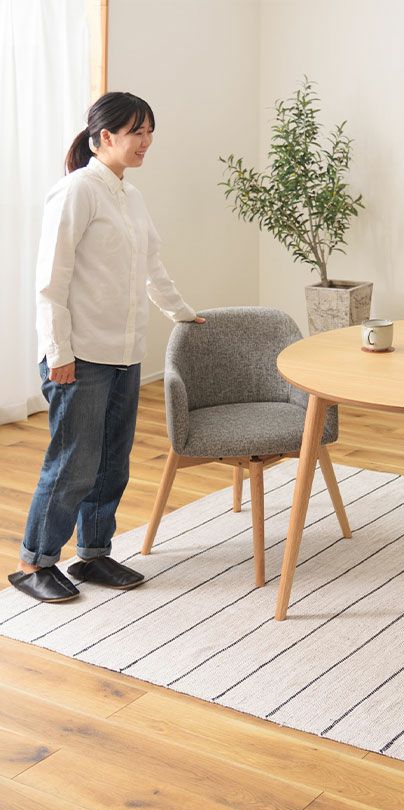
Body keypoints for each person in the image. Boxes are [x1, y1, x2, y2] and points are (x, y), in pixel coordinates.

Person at [8, 92, 205, 603]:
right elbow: (50, 281)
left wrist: (182, 313)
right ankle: (35, 562)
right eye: (137, 132)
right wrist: (58, 352)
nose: (146, 142)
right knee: (73, 463)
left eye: (150, 132)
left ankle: (93, 554)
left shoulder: (130, 196)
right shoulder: (76, 191)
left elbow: (152, 267)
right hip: (80, 354)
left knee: (112, 463)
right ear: (105, 137)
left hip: (124, 352)